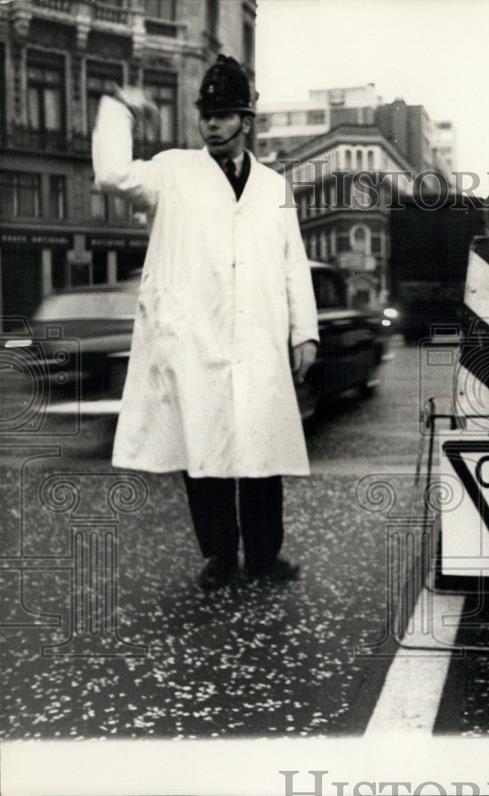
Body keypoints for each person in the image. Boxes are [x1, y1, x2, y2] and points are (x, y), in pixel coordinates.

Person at [92, 55, 319, 591]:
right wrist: (121, 110)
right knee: (205, 455)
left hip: (258, 337)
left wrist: (304, 332)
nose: (212, 124)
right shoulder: (172, 171)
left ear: (246, 121)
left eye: (224, 115)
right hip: (195, 335)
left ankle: (265, 556)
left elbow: (293, 266)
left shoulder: (273, 188)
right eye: (206, 115)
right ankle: (220, 556)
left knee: (262, 454)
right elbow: (111, 174)